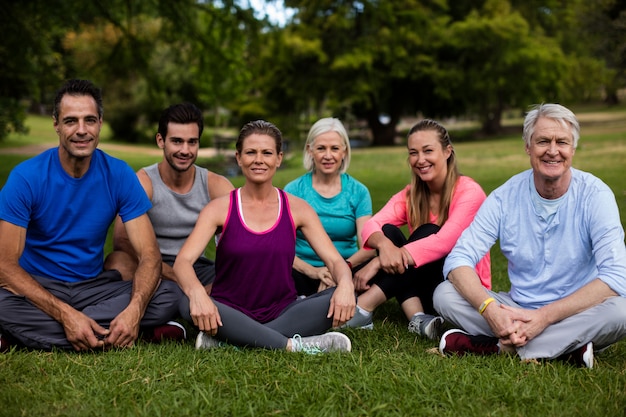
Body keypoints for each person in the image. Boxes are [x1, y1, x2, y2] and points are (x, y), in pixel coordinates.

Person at [434, 103, 626, 368]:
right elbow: (457, 260)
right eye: (543, 141)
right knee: (444, 294)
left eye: (562, 142)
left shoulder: (596, 195)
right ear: (528, 146)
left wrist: (544, 318)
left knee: (622, 311)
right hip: (514, 307)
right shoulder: (504, 197)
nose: (553, 150)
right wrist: (489, 309)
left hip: (577, 311)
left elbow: (616, 276)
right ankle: (565, 349)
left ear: (573, 148)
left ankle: (499, 347)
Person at [0, 79, 181, 352]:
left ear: (100, 123)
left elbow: (149, 255)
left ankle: (27, 334)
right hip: (40, 286)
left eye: (90, 120)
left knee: (168, 294)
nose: (81, 130)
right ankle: (111, 333)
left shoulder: (118, 174)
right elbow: (5, 266)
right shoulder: (26, 178)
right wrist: (64, 314)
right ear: (56, 124)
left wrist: (134, 310)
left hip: (92, 287)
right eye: (71, 121)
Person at [173, 120, 356, 353]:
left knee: (340, 294)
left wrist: (346, 286)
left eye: (267, 153)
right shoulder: (219, 208)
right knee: (186, 303)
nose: (258, 159)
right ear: (238, 158)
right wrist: (198, 294)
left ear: (278, 158)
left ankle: (234, 339)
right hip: (228, 310)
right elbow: (183, 262)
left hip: (283, 309)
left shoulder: (297, 208)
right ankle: (291, 345)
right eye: (251, 152)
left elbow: (334, 261)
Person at [344, 119, 491, 338]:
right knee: (389, 232)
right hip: (421, 285)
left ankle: (365, 305)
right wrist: (384, 246)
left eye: (428, 151)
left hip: (458, 289)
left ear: (447, 151)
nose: (420, 160)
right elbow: (372, 225)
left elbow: (443, 242)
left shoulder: (470, 192)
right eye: (413, 153)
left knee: (428, 231)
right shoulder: (411, 195)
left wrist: (377, 261)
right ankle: (418, 318)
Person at [104, 102, 233, 292]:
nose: (185, 150)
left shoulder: (216, 185)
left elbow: (246, 232)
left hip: (195, 267)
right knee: (117, 262)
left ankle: (188, 298)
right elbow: (122, 242)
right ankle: (187, 297)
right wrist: (180, 280)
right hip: (149, 265)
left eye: (192, 142)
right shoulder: (143, 182)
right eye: (177, 141)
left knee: (242, 271)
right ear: (160, 140)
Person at [284, 117, 375, 296]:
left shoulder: (359, 191)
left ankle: (344, 297)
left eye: (334, 148)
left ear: (344, 151)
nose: (328, 155)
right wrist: (314, 271)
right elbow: (281, 246)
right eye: (321, 148)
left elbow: (368, 246)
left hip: (348, 267)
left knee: (378, 262)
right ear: (310, 150)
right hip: (303, 270)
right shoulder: (293, 190)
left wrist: (340, 271)